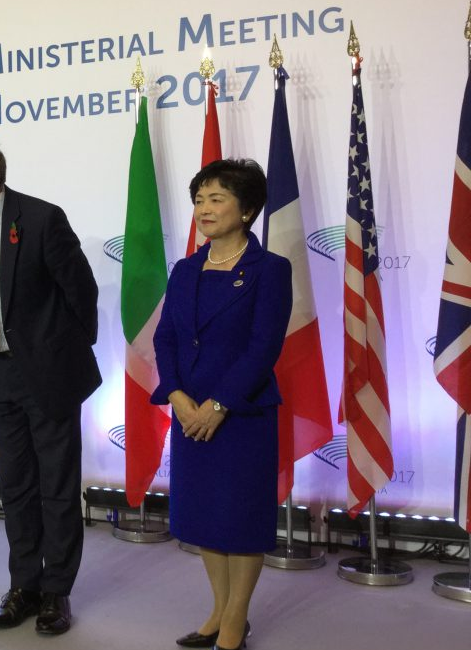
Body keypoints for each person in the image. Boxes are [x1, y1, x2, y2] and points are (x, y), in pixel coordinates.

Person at [0, 136, 100, 636]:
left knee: (57, 486)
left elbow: (82, 291)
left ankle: (56, 591)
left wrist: (62, 353)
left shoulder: (43, 219)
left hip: (47, 373)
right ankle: (24, 586)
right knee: (16, 486)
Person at [152, 159, 291, 650]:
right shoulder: (186, 269)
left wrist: (219, 405)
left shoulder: (270, 270)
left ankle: (235, 620)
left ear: (247, 209)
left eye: (216, 199)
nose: (204, 209)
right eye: (199, 200)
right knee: (204, 517)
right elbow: (166, 338)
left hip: (241, 414)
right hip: (188, 412)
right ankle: (217, 610)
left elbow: (263, 347)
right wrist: (176, 396)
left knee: (241, 520)